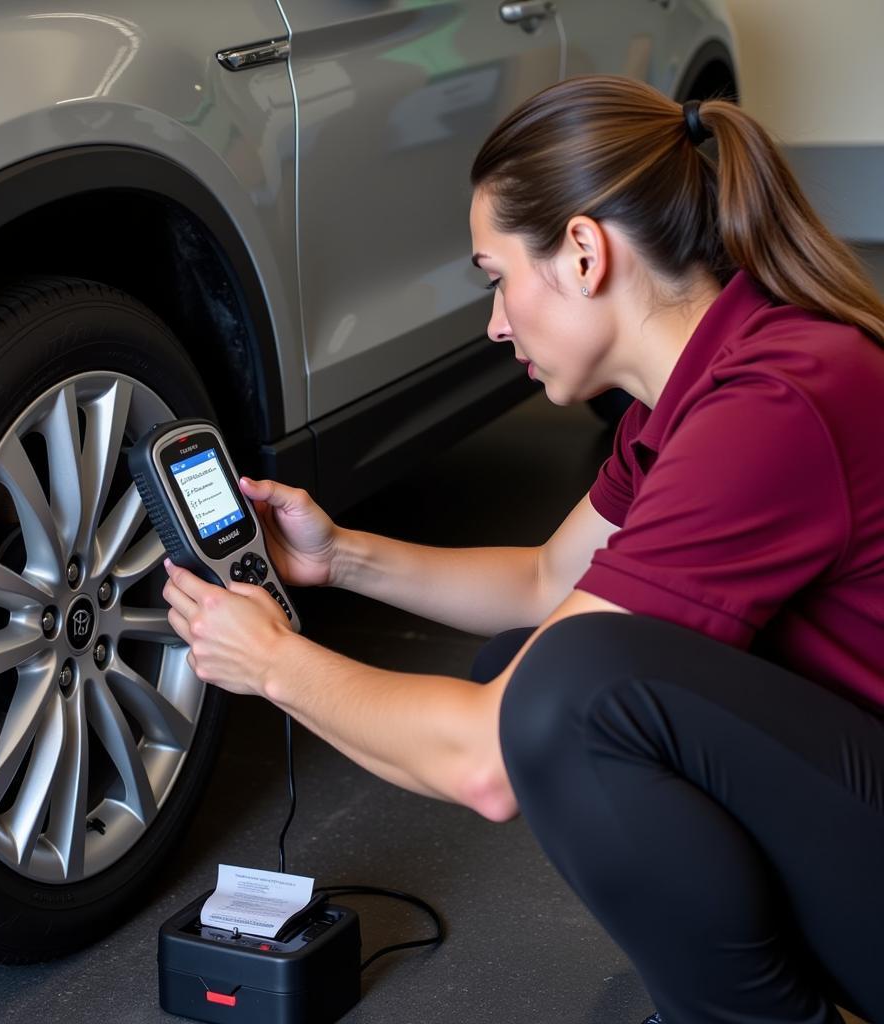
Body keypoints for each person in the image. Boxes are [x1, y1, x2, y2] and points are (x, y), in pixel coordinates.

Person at [162, 75, 884, 1023]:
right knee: (540, 667)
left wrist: (274, 664)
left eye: (497, 276)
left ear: (583, 253)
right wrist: (338, 557)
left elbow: (485, 764)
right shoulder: (699, 387)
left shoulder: (773, 404)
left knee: (565, 699)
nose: (496, 322)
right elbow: (550, 578)